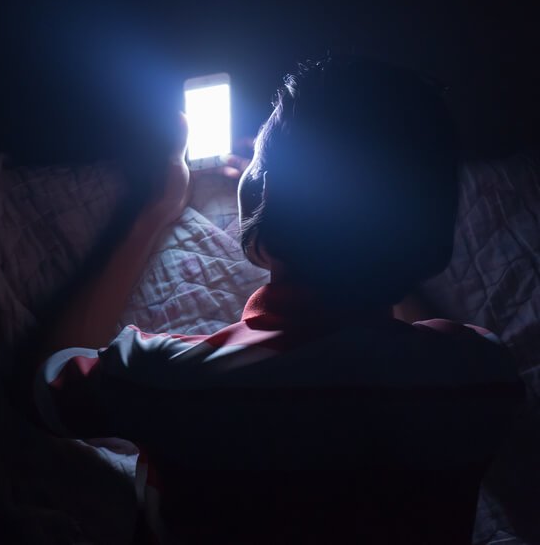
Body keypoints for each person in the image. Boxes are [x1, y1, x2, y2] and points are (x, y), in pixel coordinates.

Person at [31, 58, 523, 544]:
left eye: (260, 164)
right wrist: (375, 244)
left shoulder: (168, 381)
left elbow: (46, 382)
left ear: (263, 193)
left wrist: (154, 208)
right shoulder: (482, 378)